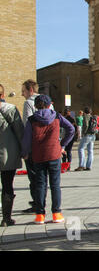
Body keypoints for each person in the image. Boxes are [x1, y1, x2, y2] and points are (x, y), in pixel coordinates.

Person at [21, 95, 75, 224]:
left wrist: (25, 153)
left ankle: (40, 215)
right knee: (55, 185)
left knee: (40, 185)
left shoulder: (31, 119)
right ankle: (56, 213)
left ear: (35, 105)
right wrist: (62, 145)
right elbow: (71, 129)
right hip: (54, 154)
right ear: (49, 104)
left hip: (38, 156)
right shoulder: (56, 116)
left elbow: (27, 139)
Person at [0, 84, 24, 227]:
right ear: (3, 95)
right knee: (7, 185)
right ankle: (6, 218)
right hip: (7, 154)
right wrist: (25, 150)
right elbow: (20, 132)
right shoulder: (9, 109)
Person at [21, 79, 41, 214]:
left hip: (33, 145)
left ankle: (37, 203)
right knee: (42, 177)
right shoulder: (48, 102)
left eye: (24, 91)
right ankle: (41, 203)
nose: (22, 94)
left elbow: (27, 126)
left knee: (33, 176)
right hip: (44, 145)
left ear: (31, 90)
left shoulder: (28, 103)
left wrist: (25, 148)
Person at [75, 107, 97, 171]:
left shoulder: (85, 117)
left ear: (84, 112)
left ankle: (81, 165)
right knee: (90, 150)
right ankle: (89, 166)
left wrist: (84, 132)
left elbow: (86, 125)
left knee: (80, 149)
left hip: (87, 135)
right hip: (93, 135)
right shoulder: (93, 117)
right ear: (90, 112)